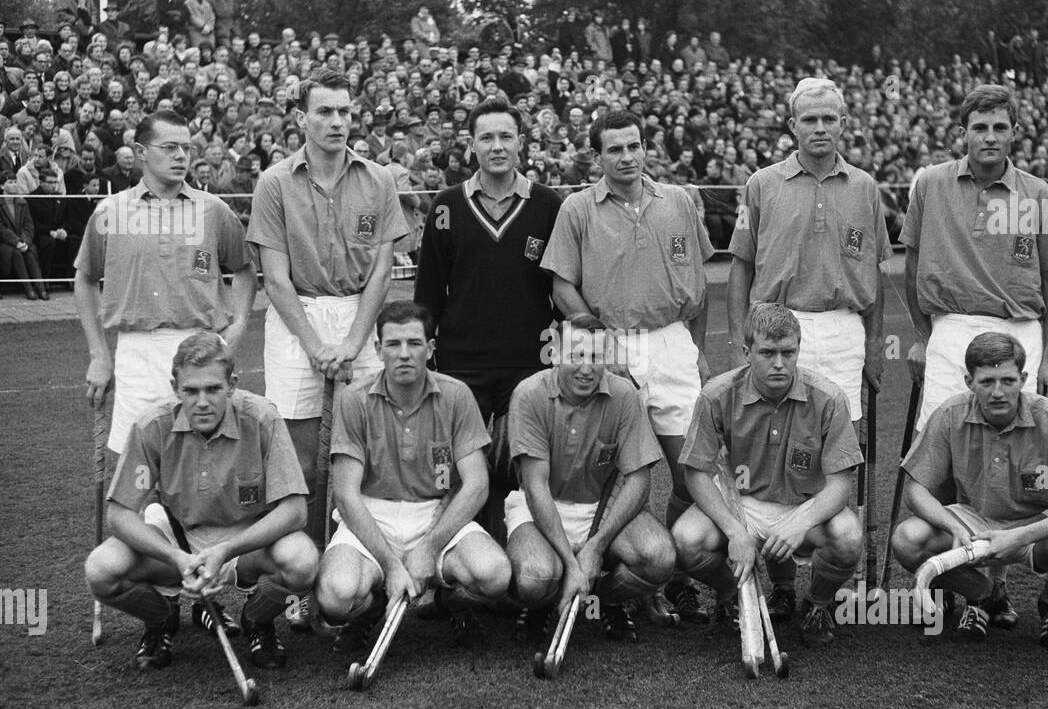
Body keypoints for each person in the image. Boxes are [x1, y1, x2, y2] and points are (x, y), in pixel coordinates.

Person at [901, 83, 1048, 629]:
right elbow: (909, 264)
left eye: (1000, 127)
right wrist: (924, 334)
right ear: (963, 132)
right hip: (951, 328)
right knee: (941, 460)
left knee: (1020, 453)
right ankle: (973, 588)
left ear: (1015, 133)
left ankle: (1025, 573)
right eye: (980, 127)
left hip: (1019, 329)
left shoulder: (1039, 194)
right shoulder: (930, 184)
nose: (990, 137)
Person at [541, 108, 715, 623]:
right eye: (614, 149)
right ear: (597, 156)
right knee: (621, 472)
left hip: (672, 342)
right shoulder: (577, 208)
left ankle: (678, 577)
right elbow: (560, 285)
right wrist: (601, 344)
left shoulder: (678, 200)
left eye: (633, 145)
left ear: (645, 147)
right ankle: (630, 583)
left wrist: (696, 346)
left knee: (691, 469)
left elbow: (701, 282)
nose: (626, 157)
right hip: (611, 346)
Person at [725, 77, 889, 619]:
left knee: (839, 454)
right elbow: (741, 265)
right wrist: (739, 340)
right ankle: (780, 584)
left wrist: (873, 349)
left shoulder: (865, 186)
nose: (820, 128)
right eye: (809, 119)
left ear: (843, 123)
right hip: (777, 326)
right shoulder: (762, 184)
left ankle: (833, 586)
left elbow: (877, 275)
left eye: (830, 119)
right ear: (791, 125)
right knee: (768, 450)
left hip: (843, 329)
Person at [84, 331, 318, 671]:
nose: (202, 401)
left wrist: (225, 551)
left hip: (246, 542)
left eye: (213, 389)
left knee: (302, 561)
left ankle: (257, 619)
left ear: (233, 384)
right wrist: (176, 558)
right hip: (179, 537)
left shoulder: (262, 418)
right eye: (190, 391)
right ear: (175, 387)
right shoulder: (153, 425)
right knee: (101, 570)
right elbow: (119, 515)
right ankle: (160, 619)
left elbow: (295, 511)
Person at [246, 68, 406, 545]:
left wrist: (355, 342)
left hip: (360, 315)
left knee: (370, 444)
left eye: (345, 111)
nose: (337, 122)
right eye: (325, 111)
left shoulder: (378, 179)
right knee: (301, 453)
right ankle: (303, 569)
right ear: (302, 118)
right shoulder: (274, 182)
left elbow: (382, 272)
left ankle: (359, 560)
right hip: (299, 319)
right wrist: (316, 345)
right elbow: (274, 278)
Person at [891, 333, 1048, 651]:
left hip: (1038, 525)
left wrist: (1020, 536)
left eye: (1007, 380)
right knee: (907, 539)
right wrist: (952, 526)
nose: (997, 392)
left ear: (1023, 378)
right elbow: (916, 490)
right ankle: (985, 595)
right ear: (969, 381)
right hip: (974, 522)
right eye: (987, 381)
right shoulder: (949, 415)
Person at [315, 300, 511, 649]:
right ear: (378, 349)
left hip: (435, 513)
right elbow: (345, 494)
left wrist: (429, 546)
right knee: (336, 596)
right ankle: (369, 609)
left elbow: (477, 484)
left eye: (414, 343)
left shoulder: (456, 394)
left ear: (430, 348)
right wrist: (391, 565)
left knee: (494, 575)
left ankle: (443, 602)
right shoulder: (354, 399)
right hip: (372, 514)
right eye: (393, 344)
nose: (404, 354)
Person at [414, 98, 563, 541]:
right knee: (460, 474)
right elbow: (427, 293)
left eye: (505, 137)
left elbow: (561, 286)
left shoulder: (548, 204)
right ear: (472, 146)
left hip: (529, 363)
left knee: (523, 472)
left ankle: (525, 575)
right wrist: (427, 353)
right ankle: (463, 578)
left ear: (521, 143)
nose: (497, 146)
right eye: (486, 138)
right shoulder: (445, 205)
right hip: (463, 365)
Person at [671, 303, 863, 643]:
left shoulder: (829, 398)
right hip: (741, 502)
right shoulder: (716, 395)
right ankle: (733, 594)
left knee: (848, 538)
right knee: (687, 540)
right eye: (767, 352)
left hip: (806, 505)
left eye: (788, 352)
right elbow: (697, 472)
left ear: (799, 349)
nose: (779, 363)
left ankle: (817, 604)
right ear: (746, 352)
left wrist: (799, 523)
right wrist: (734, 532)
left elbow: (840, 484)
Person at [74, 109, 257, 456]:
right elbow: (84, 279)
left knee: (204, 458)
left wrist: (239, 324)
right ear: (141, 152)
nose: (181, 156)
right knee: (138, 463)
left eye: (186, 148)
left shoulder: (213, 209)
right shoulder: (110, 211)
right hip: (137, 350)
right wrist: (99, 354)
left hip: (202, 348)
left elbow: (245, 269)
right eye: (169, 147)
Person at [505, 314, 675, 642]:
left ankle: (606, 598)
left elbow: (639, 478)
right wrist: (571, 563)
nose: (586, 367)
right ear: (555, 353)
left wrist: (595, 548)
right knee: (533, 578)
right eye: (576, 355)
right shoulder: (529, 394)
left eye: (596, 357)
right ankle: (548, 598)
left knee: (659, 557)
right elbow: (535, 486)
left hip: (601, 509)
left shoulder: (624, 394)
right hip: (541, 506)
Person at [0, 173, 47, 299]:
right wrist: (16, 242)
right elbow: (0, 228)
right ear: (2, 186)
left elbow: (29, 226)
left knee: (30, 253)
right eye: (10, 182)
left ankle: (41, 288)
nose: (14, 184)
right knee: (16, 253)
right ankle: (28, 289)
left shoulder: (22, 202)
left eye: (15, 181)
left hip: (23, 240)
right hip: (6, 242)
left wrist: (24, 242)